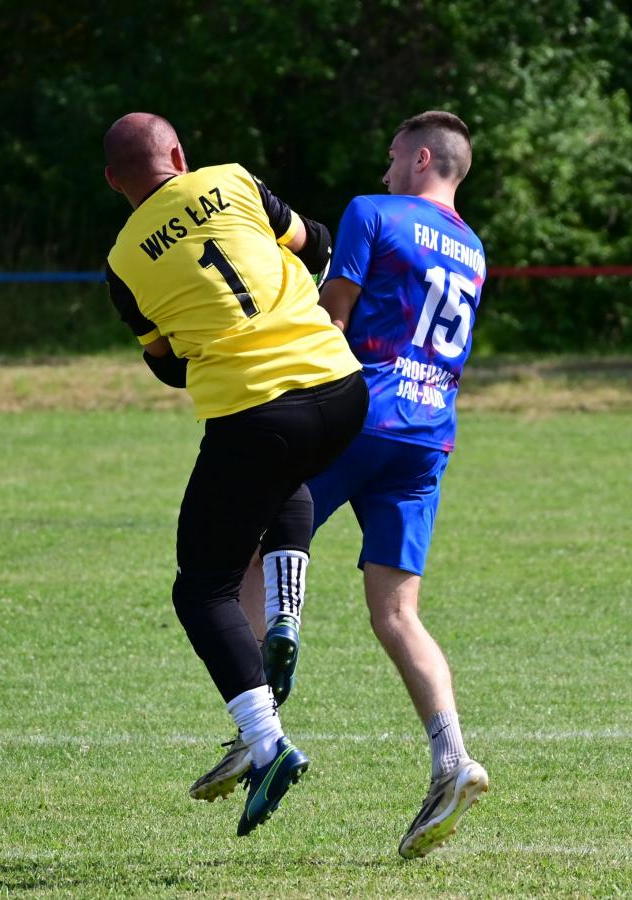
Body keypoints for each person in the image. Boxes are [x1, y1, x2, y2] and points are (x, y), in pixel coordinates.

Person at [193, 110, 489, 858]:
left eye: (393, 155)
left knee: (250, 549)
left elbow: (331, 317)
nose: (385, 169)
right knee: (397, 614)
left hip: (360, 414)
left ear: (420, 159)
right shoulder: (474, 248)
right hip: (429, 435)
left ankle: (258, 726)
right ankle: (453, 759)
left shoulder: (373, 212)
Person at [103, 112, 368, 837]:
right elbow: (318, 242)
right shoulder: (233, 180)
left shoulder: (123, 260)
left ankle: (267, 743)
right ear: (179, 153)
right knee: (286, 476)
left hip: (256, 413)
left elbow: (165, 365)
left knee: (202, 588)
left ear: (114, 182)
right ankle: (283, 618)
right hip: (342, 386)